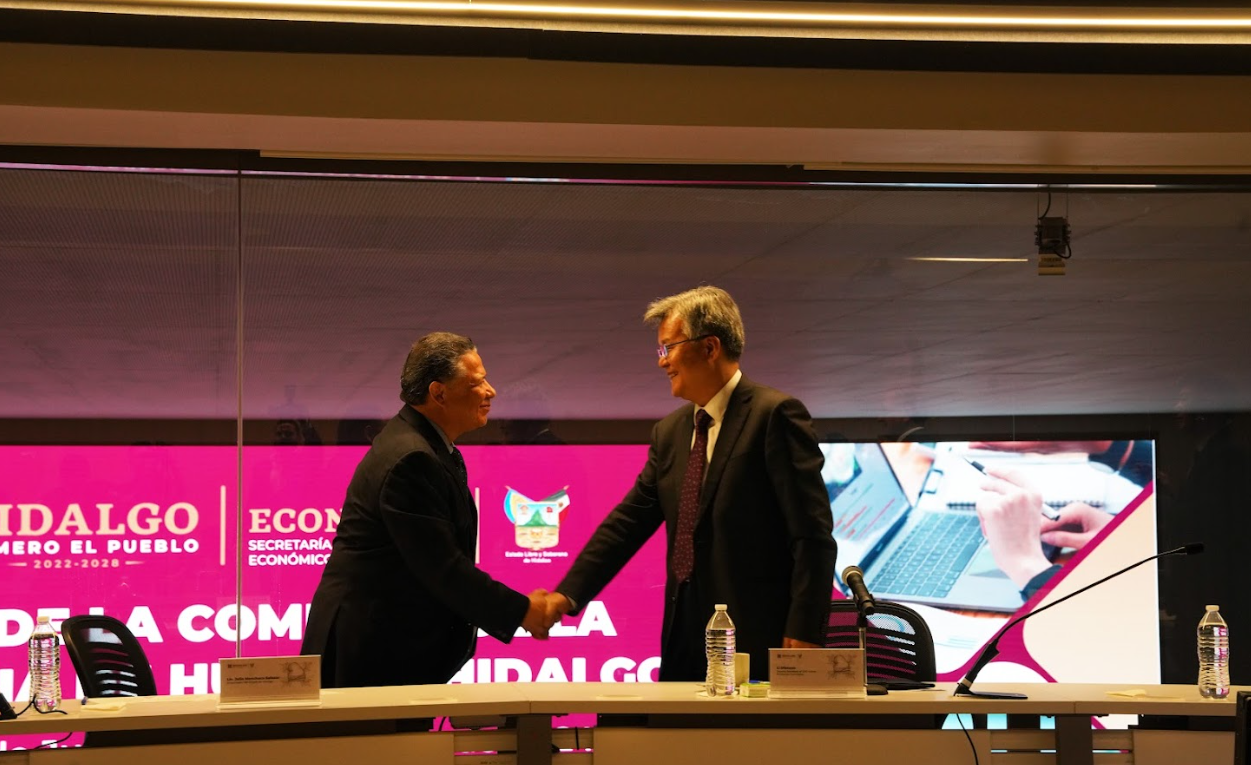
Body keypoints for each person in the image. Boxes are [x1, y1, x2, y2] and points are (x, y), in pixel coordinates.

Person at [544, 286, 838, 681]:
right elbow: (628, 523)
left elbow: (813, 535)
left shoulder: (774, 415)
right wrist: (566, 596)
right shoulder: (671, 432)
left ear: (710, 347)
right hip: (685, 633)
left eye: (668, 347)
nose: (661, 361)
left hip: (759, 635)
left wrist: (805, 627)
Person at [302, 332, 552, 688]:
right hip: (369, 655)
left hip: (381, 647)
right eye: (477, 382)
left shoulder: (420, 445)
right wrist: (523, 612)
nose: (491, 391)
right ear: (439, 393)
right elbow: (443, 568)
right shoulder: (412, 458)